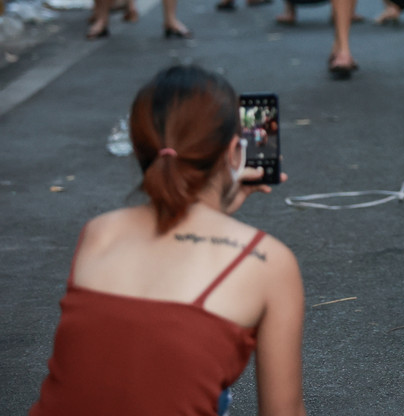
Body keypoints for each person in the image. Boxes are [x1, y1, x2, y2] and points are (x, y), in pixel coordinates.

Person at [29, 65, 306, 415]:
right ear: (235, 149)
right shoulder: (266, 260)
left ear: (139, 147)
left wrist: (216, 208)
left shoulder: (100, 232)